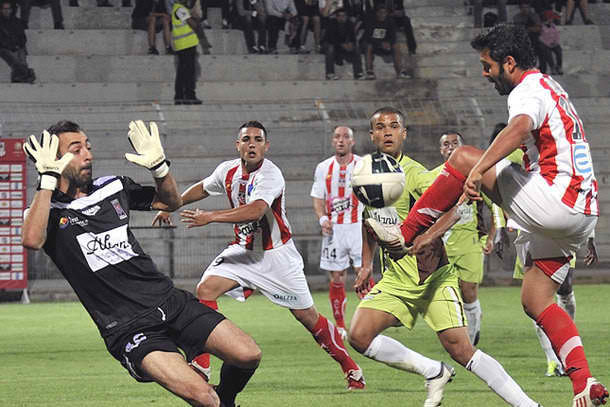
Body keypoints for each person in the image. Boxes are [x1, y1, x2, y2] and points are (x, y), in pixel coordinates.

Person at [367, 25, 609, 407]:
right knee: (536, 298)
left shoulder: (527, 89)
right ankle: (584, 381)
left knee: (463, 157)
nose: (485, 73)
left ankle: (403, 233)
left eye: (487, 65)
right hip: (582, 212)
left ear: (509, 63)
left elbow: (520, 127)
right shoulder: (553, 88)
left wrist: (478, 170)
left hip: (556, 201)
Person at [21, 120, 261, 407]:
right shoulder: (46, 212)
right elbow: (31, 240)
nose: (88, 155)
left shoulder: (112, 187)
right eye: (77, 149)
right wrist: (47, 181)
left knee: (248, 354)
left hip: (170, 301)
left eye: (88, 147)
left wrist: (160, 169)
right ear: (54, 159)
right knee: (204, 397)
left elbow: (170, 203)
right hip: (129, 327)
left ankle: (227, 399)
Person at [152, 120, 366, 391]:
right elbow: (203, 188)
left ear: (266, 146)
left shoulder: (271, 174)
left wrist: (211, 216)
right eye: (246, 139)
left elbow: (255, 210)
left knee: (307, 317)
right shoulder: (227, 170)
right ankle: (201, 365)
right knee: (205, 289)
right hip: (243, 251)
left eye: (258, 140)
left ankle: (351, 368)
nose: (252, 144)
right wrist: (172, 205)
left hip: (276, 257)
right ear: (237, 145)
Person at [348, 106, 540, 407]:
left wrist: (428, 236)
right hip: (397, 278)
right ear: (372, 135)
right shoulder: (367, 173)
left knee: (462, 350)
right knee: (358, 336)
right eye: (381, 127)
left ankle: (528, 405)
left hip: (432, 276)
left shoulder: (416, 175)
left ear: (404, 133)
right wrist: (366, 264)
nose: (387, 132)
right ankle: (433, 371)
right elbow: (368, 219)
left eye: (394, 126)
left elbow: (453, 208)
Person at [431, 130, 502, 346]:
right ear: (441, 149)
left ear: (462, 148)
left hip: (470, 242)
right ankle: (461, 330)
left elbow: (496, 206)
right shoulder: (432, 176)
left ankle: (470, 338)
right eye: (446, 144)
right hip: (442, 244)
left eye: (455, 143)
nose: (450, 147)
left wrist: (492, 237)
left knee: (468, 290)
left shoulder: (476, 175)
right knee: (447, 294)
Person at [310, 125, 370, 340]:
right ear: (333, 141)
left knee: (363, 274)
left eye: (346, 137)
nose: (341, 140)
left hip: (358, 228)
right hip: (334, 230)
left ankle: (370, 323)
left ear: (352, 141)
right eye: (337, 137)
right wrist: (322, 218)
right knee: (336, 276)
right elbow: (318, 197)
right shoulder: (323, 167)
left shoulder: (363, 165)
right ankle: (341, 326)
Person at [361, 4, 409, 80]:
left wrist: (388, 43)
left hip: (385, 45)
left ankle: (400, 71)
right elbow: (367, 37)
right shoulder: (371, 21)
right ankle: (369, 72)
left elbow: (393, 36)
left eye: (384, 13)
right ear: (377, 13)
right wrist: (380, 43)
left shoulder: (390, 21)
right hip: (374, 44)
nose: (382, 15)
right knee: (368, 46)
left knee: (396, 45)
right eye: (380, 12)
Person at [171, 0, 202, 105]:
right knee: (188, 72)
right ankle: (188, 96)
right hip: (185, 45)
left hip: (184, 45)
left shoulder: (179, 8)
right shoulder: (180, 9)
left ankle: (180, 96)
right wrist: (196, 17)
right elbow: (193, 25)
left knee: (183, 72)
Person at [0, 0, 35, 83]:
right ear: (1, 10)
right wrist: (10, 46)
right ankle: (28, 73)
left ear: (12, 10)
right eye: (4, 9)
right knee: (14, 59)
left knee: (22, 54)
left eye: (8, 9)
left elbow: (23, 37)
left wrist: (18, 45)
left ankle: (18, 77)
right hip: (3, 48)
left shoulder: (17, 21)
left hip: (17, 47)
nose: (6, 11)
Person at [323, 8, 363, 80]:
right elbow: (331, 38)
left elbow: (353, 38)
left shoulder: (349, 23)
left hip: (343, 45)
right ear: (336, 17)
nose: (341, 18)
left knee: (356, 48)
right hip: (331, 44)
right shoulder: (332, 23)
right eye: (339, 16)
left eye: (343, 16)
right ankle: (330, 74)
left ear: (346, 16)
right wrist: (342, 45)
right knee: (330, 48)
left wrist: (351, 44)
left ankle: (358, 73)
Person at [539, 9, 563, 75]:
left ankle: (559, 66)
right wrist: (548, 44)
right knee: (548, 53)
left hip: (554, 43)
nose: (551, 20)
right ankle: (552, 67)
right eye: (550, 18)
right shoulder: (542, 26)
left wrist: (555, 42)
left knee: (559, 51)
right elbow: (541, 37)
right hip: (546, 44)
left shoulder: (553, 26)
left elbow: (557, 35)